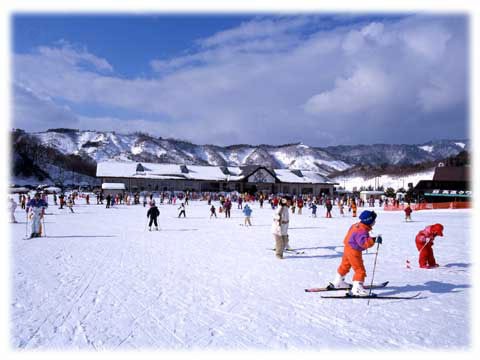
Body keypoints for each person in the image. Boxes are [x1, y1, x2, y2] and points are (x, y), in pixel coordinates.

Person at [330, 210, 381, 296]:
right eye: (373, 220)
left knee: (345, 265)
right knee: (359, 269)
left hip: (347, 247)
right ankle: (357, 288)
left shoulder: (356, 225)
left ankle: (338, 282)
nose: (375, 222)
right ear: (369, 221)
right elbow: (364, 243)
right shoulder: (362, 230)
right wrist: (373, 240)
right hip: (354, 250)